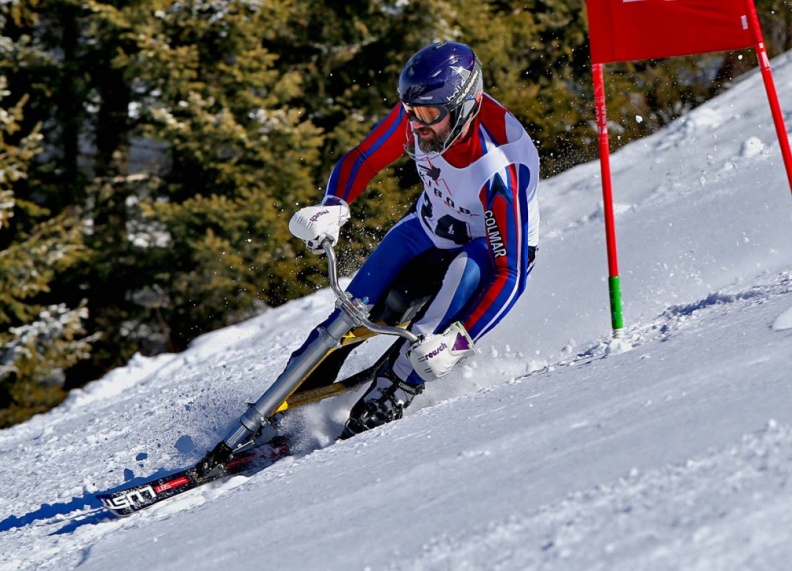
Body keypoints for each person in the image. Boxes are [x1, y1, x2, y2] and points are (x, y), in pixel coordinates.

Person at [288, 41, 540, 439]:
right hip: (429, 226)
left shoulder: (499, 168)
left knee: (426, 340)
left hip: (488, 251)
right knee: (349, 316)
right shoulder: (423, 109)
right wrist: (334, 206)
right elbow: (364, 158)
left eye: (428, 115)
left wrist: (460, 340)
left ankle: (391, 393)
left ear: (465, 106)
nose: (417, 125)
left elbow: (510, 273)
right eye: (410, 111)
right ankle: (282, 406)